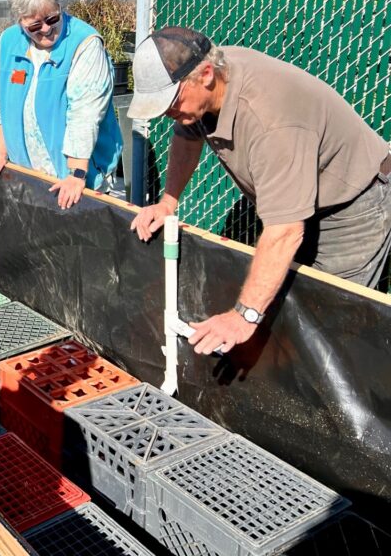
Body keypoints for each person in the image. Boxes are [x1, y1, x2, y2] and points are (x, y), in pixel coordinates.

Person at [128, 27, 391, 355]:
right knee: (284, 305)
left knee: (330, 324)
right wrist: (168, 201)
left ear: (206, 75)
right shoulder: (203, 85)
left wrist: (243, 316)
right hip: (301, 197)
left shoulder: (271, 120)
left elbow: (284, 232)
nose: (169, 112)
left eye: (171, 101)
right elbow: (187, 133)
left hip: (350, 205)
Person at [0, 0, 123, 208]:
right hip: (29, 175)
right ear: (19, 20)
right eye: (34, 25)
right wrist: (0, 154)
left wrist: (77, 174)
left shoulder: (85, 44)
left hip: (76, 177)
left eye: (52, 19)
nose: (46, 29)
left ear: (60, 6)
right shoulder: (9, 41)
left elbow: (84, 115)